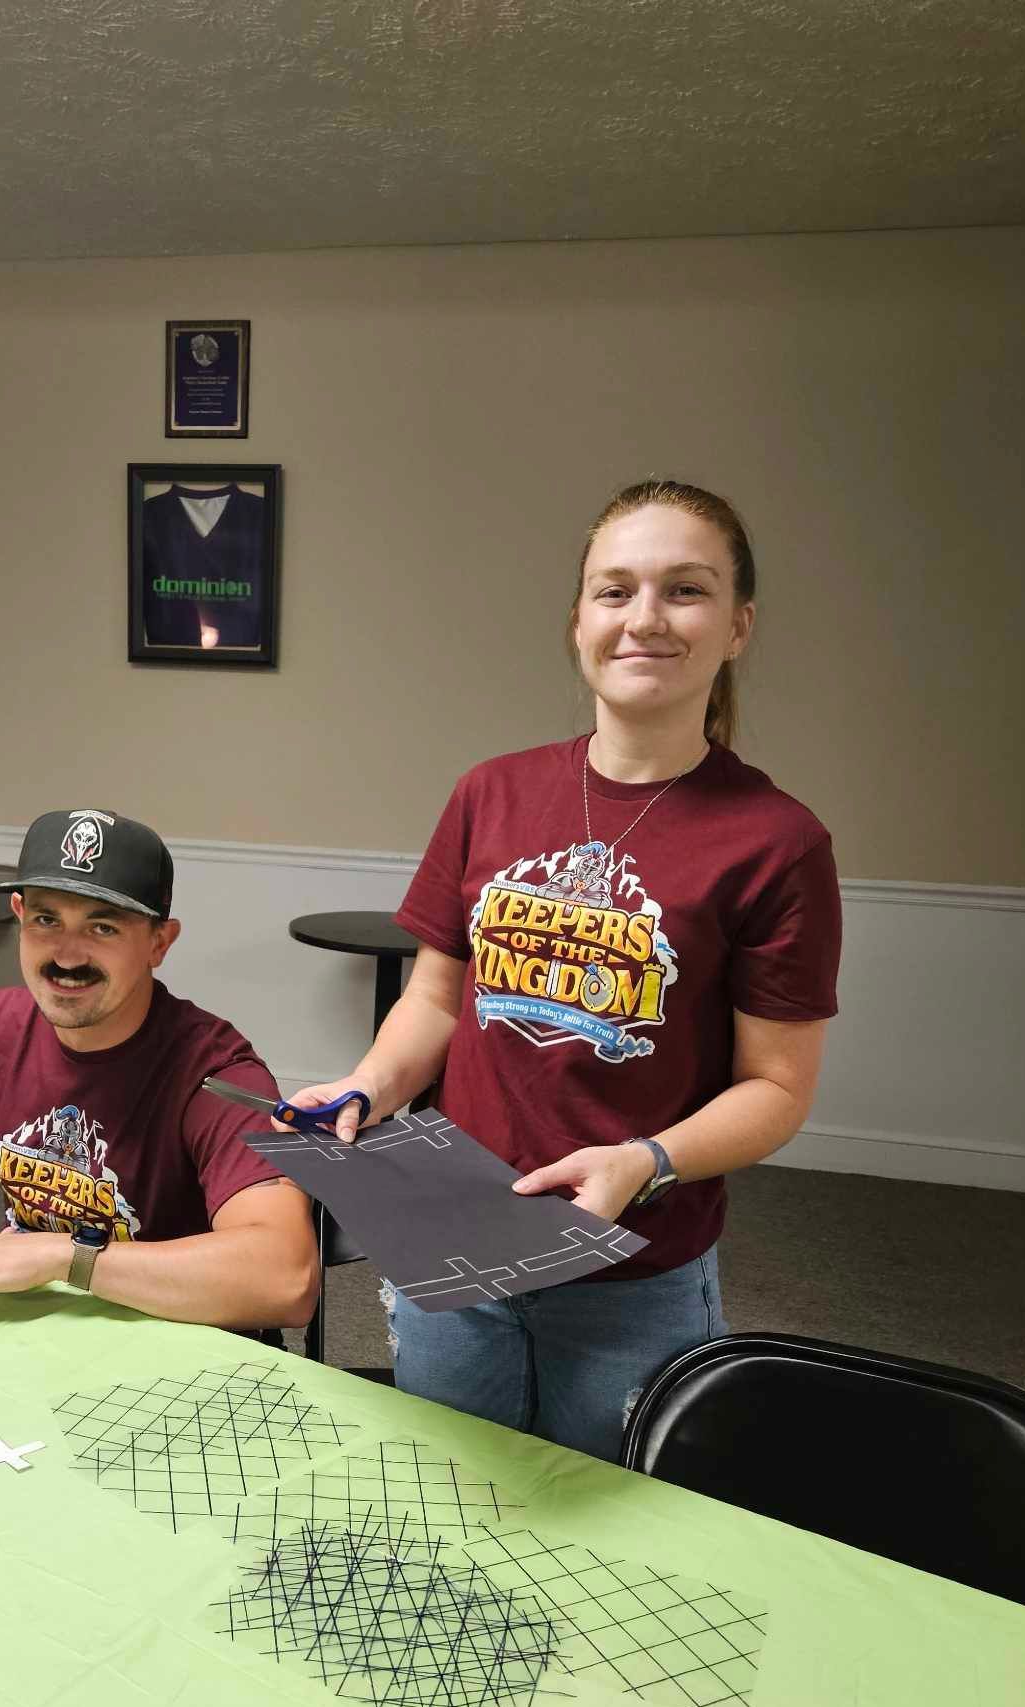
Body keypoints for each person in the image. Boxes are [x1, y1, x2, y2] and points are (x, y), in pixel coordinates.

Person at [289, 479, 841, 1460]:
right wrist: (369, 1085)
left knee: (608, 1528)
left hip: (633, 1267)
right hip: (456, 1238)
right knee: (453, 1491)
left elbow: (778, 1085)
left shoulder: (776, 841)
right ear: (577, 620)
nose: (645, 618)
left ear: (738, 625)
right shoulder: (490, 793)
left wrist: (648, 1160)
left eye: (685, 589)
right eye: (615, 589)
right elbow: (435, 999)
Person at [0, 806, 318, 1335]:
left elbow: (285, 1279)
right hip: (38, 1325)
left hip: (183, 1354)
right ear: (17, 914)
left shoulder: (216, 1075)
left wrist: (67, 1258)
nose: (66, 955)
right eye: (46, 919)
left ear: (159, 942)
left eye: (102, 927)